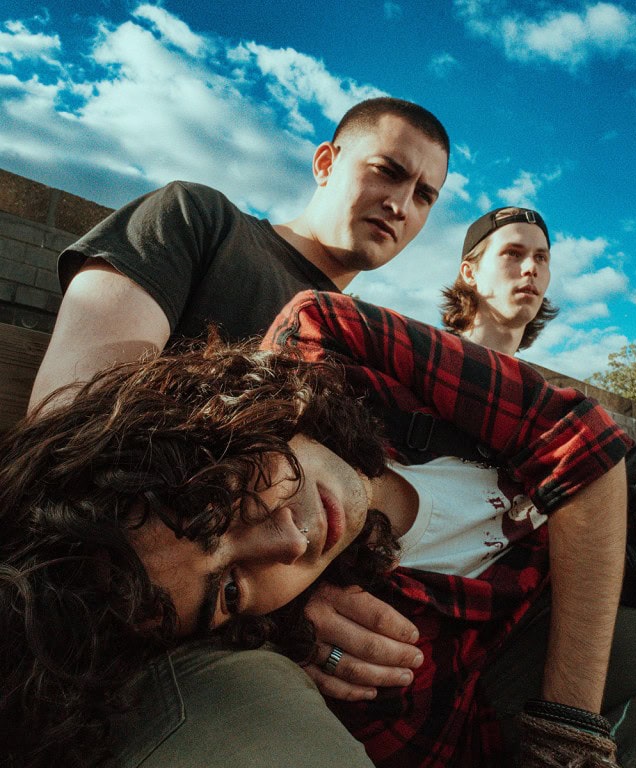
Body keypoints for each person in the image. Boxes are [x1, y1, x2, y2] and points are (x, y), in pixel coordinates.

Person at [1, 291, 636, 767]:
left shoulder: (325, 335)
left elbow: (580, 438)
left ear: (204, 423)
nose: (284, 545)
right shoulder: (336, 636)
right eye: (227, 588)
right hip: (516, 636)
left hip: (599, 580)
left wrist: (567, 721)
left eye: (215, 505)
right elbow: (448, 741)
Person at [27, 97, 451, 714]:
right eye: (387, 170)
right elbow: (73, 431)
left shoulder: (374, 342)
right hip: (178, 637)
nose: (401, 204)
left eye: (424, 195)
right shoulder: (200, 221)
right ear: (326, 163)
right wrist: (274, 599)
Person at [441, 205, 558, 356]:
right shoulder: (422, 357)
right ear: (470, 273)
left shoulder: (533, 380)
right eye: (513, 253)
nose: (531, 268)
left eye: (540, 258)